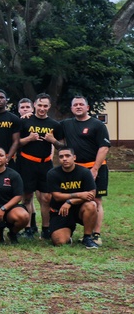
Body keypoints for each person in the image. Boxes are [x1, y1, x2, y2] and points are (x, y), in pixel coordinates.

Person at [52, 96, 110, 245]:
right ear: (71, 109)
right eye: (75, 105)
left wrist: (95, 168)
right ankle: (67, 226)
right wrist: (28, 115)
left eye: (81, 104)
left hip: (95, 167)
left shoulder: (98, 125)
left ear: (87, 107)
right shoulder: (66, 124)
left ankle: (95, 234)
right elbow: (48, 127)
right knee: (79, 197)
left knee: (95, 200)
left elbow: (103, 148)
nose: (78, 107)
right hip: (75, 169)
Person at [16, 93, 59, 239]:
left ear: (49, 107)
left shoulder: (54, 124)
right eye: (39, 105)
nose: (42, 108)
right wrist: (29, 138)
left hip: (45, 164)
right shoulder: (25, 122)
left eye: (45, 106)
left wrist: (53, 140)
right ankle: (28, 229)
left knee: (46, 198)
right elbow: (16, 143)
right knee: (27, 197)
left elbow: (62, 146)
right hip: (27, 163)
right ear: (35, 105)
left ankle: (46, 229)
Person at [46, 147, 99, 248]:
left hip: (79, 209)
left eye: (67, 156)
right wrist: (78, 194)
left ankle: (87, 237)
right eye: (61, 157)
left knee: (91, 205)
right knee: (59, 242)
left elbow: (92, 194)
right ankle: (66, 233)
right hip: (60, 211)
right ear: (58, 159)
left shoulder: (84, 172)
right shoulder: (52, 174)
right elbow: (57, 196)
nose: (64, 159)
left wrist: (70, 202)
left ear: (74, 157)